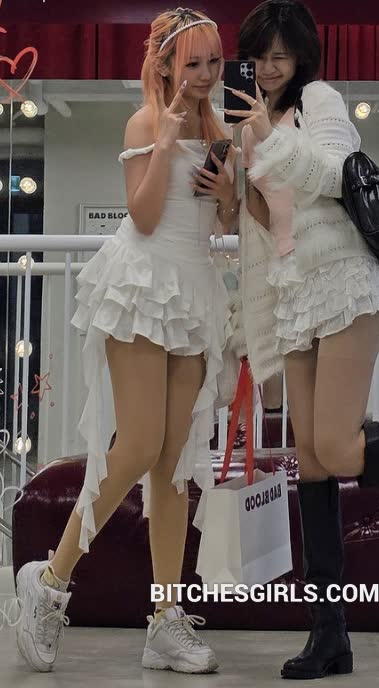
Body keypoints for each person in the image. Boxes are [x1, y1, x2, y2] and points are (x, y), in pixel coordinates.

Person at [15, 7, 239, 674]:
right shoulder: (145, 122)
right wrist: (166, 142)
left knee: (174, 464)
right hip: (142, 284)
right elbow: (141, 217)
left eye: (214, 61)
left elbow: (222, 226)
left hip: (193, 291)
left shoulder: (220, 129)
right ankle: (48, 583)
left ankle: (165, 619)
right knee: (137, 444)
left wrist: (229, 193)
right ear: (165, 64)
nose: (206, 74)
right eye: (193, 62)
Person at [233, 0, 379, 680]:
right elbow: (261, 222)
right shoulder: (248, 122)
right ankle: (329, 636)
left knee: (341, 447)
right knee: (312, 462)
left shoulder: (319, 101)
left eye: (280, 55)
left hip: (343, 279)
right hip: (293, 296)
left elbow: (330, 174)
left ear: (302, 57)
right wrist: (233, 174)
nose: (268, 68)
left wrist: (269, 134)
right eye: (259, 56)